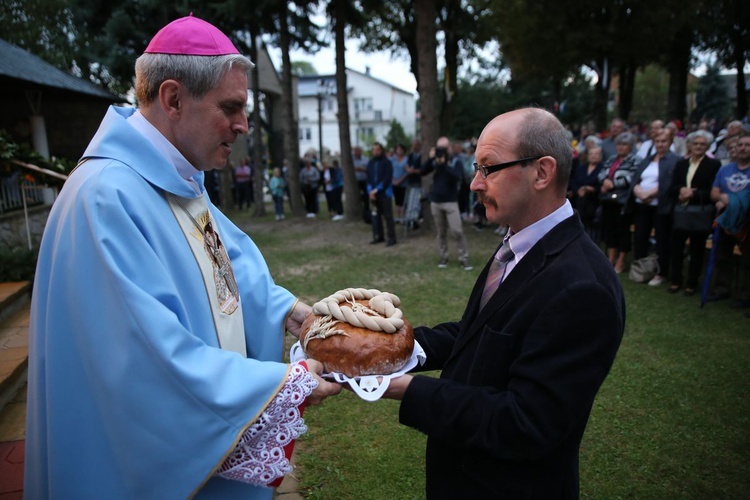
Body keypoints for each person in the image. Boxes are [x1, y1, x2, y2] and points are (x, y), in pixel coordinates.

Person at [24, 15, 341, 498]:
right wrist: (285, 385)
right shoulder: (107, 197)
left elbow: (226, 268)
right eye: (231, 107)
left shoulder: (180, 178)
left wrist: (288, 312)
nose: (244, 125)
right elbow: (147, 359)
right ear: (173, 99)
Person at [381, 108, 625, 498]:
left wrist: (403, 389)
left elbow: (527, 421)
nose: (475, 183)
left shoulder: (583, 288)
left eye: (489, 168)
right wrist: (390, 348)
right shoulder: (521, 242)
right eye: (476, 167)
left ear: (542, 173)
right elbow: (481, 334)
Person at [667, 130, 721, 295]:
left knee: (697, 250)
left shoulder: (713, 165)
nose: (698, 147)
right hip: (681, 211)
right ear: (689, 145)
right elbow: (673, 185)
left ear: (707, 146)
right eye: (695, 143)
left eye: (702, 144)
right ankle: (675, 280)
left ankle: (692, 283)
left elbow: (712, 189)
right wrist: (681, 190)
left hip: (700, 212)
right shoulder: (682, 164)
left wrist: (694, 193)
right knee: (676, 248)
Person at [629, 130, 681, 286]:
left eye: (663, 141)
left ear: (670, 143)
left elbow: (670, 182)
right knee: (640, 237)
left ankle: (661, 272)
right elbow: (636, 178)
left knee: (662, 240)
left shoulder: (675, 160)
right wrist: (637, 190)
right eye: (657, 141)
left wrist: (650, 193)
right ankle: (641, 269)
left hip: (661, 207)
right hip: (642, 205)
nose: (660, 144)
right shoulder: (647, 159)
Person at [708, 132, 750, 309]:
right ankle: (721, 289)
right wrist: (723, 199)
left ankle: (745, 295)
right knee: (723, 255)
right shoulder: (725, 169)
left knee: (748, 261)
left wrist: (729, 200)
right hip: (725, 220)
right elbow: (714, 192)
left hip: (747, 223)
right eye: (740, 145)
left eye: (747, 145)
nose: (742, 148)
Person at [421, 136, 472, 270]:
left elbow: (457, 177)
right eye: (439, 148)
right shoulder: (435, 162)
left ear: (448, 148)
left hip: (451, 201)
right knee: (441, 232)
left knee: (457, 230)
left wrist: (444, 164)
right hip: (436, 201)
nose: (441, 151)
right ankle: (444, 257)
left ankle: (464, 258)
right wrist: (432, 158)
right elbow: (422, 171)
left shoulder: (456, 161)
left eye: (443, 148)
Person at [599, 132, 640, 273]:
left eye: (624, 145)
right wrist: (604, 181)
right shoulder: (612, 159)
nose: (621, 147)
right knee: (610, 229)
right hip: (608, 200)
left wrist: (613, 183)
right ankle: (611, 258)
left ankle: (621, 261)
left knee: (622, 230)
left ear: (630, 146)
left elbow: (632, 177)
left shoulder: (635, 160)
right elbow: (602, 172)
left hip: (623, 201)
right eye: (619, 144)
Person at [569, 145, 604, 240]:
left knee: (591, 230)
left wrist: (590, 189)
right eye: (591, 154)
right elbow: (574, 181)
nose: (593, 156)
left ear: (601, 156)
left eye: (596, 154)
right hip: (579, 200)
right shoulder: (582, 167)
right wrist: (579, 190)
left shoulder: (603, 168)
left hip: (594, 201)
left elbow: (601, 184)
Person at [366, 142, 397, 246]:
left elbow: (387, 179)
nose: (376, 152)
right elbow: (369, 178)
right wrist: (370, 190)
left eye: (377, 149)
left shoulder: (387, 162)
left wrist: (377, 189)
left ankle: (391, 238)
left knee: (388, 216)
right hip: (373, 194)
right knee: (376, 216)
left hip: (385, 193)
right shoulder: (370, 163)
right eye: (374, 150)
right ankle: (379, 236)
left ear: (381, 150)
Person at [390, 143, 409, 222]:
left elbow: (407, 172)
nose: (399, 151)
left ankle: (403, 217)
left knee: (403, 200)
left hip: (403, 183)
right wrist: (393, 180)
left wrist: (401, 180)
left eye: (401, 149)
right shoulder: (393, 159)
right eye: (398, 149)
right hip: (394, 182)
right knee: (397, 201)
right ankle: (398, 216)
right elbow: (389, 170)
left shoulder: (406, 159)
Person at [353, 146, 371, 223]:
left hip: (365, 180)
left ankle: (366, 212)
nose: (357, 153)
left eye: (358, 151)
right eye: (355, 151)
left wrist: (362, 169)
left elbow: (370, 169)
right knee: (357, 196)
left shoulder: (366, 159)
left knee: (366, 196)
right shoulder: (352, 160)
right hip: (356, 181)